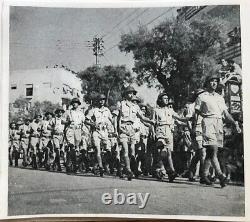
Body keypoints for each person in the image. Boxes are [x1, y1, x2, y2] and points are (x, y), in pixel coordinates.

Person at [195, 74, 241, 187]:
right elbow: (196, 113)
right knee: (213, 148)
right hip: (208, 122)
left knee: (212, 152)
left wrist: (235, 123)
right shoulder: (202, 97)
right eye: (211, 81)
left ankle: (204, 175)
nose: (214, 83)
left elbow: (225, 113)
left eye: (216, 81)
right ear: (207, 83)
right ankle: (221, 176)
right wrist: (196, 127)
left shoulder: (220, 97)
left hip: (219, 123)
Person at [113, 86, 154, 180]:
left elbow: (142, 118)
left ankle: (121, 167)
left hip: (131, 129)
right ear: (125, 94)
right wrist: (116, 130)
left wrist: (151, 121)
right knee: (125, 150)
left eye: (132, 93)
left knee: (132, 152)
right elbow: (116, 118)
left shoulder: (136, 107)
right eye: (129, 93)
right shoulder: (121, 104)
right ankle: (128, 170)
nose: (131, 94)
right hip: (123, 128)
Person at [153, 92, 190, 182]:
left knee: (169, 153)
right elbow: (153, 122)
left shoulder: (170, 111)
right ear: (160, 100)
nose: (166, 100)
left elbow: (179, 118)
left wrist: (189, 118)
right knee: (163, 152)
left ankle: (171, 172)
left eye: (167, 98)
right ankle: (163, 169)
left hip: (169, 132)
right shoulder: (156, 110)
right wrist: (153, 133)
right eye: (164, 98)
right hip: (160, 131)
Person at [85, 94, 113, 177]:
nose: (102, 101)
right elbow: (86, 121)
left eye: (103, 100)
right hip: (96, 131)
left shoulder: (107, 110)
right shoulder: (93, 110)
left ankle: (99, 164)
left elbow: (111, 121)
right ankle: (100, 168)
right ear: (97, 101)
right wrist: (93, 124)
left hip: (105, 132)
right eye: (100, 100)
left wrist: (111, 129)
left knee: (108, 150)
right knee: (98, 150)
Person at [186, 89, 206, 182]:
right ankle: (203, 175)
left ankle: (190, 171)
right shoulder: (191, 106)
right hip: (196, 130)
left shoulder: (206, 104)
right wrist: (192, 131)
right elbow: (189, 120)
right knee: (201, 152)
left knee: (199, 154)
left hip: (205, 130)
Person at [64, 98, 86, 173]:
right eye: (73, 102)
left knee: (76, 149)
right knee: (72, 147)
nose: (74, 104)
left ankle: (69, 163)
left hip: (78, 130)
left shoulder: (81, 113)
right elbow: (63, 121)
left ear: (78, 104)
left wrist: (84, 132)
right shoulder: (68, 112)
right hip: (70, 129)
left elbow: (83, 122)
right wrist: (67, 122)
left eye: (76, 102)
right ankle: (74, 165)